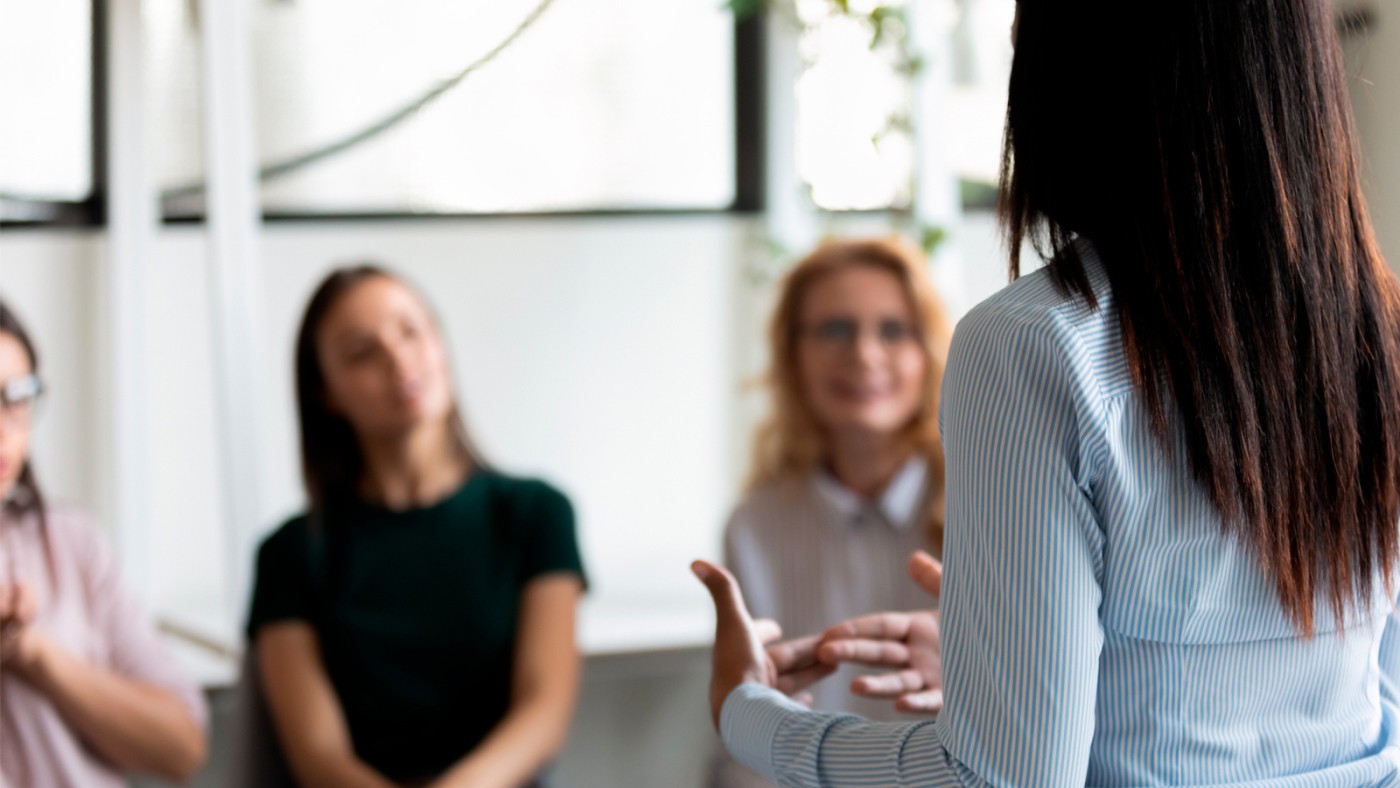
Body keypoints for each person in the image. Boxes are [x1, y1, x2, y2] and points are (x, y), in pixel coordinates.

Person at [695, 0, 1400, 784]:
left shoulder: (1036, 344)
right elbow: (1366, 695)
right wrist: (995, 678)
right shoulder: (1379, 329)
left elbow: (1000, 781)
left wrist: (749, 713)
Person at [246, 265, 586, 788]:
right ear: (326, 393)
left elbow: (543, 713)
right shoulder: (289, 554)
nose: (398, 359)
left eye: (411, 331)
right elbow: (318, 755)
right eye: (362, 352)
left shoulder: (535, 513)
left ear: (440, 344)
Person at [0, 299, 208, 787]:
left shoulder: (69, 542)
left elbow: (183, 746)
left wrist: (34, 655)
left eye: (17, 397)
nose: (3, 429)